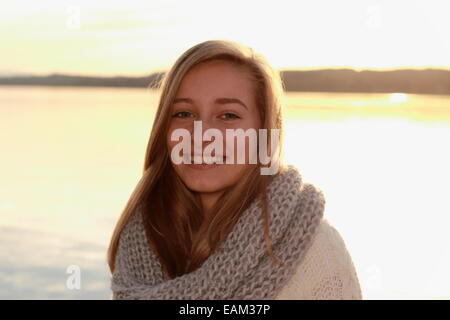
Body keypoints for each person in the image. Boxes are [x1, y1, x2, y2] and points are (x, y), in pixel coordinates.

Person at [107, 39, 362, 300]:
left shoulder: (315, 251)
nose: (201, 135)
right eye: (184, 114)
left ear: (264, 133)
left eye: (228, 115)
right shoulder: (139, 243)